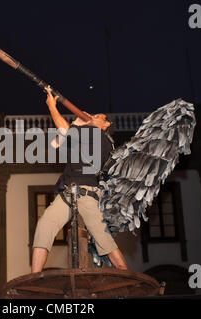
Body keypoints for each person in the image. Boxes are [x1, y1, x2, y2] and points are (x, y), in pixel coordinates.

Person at [31, 87, 129, 273]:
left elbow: (64, 130)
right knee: (45, 225)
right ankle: (34, 275)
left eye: (98, 116)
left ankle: (126, 274)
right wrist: (76, 122)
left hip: (86, 192)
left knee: (103, 239)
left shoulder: (99, 135)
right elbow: (58, 143)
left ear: (106, 124)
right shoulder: (86, 138)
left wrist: (52, 107)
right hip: (68, 192)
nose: (92, 116)